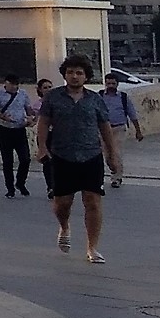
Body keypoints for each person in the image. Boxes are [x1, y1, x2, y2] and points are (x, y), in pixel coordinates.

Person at [36, 53, 122, 264]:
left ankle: (92, 247)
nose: (74, 76)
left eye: (79, 73)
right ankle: (64, 226)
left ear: (86, 77)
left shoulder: (95, 99)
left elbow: (105, 128)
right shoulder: (53, 98)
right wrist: (41, 147)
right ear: (65, 75)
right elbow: (43, 124)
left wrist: (112, 155)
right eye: (70, 72)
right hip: (62, 155)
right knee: (62, 203)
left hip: (91, 155)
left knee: (92, 202)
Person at [0, 73, 34, 197]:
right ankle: (10, 188)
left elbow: (28, 108)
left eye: (16, 84)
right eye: (12, 84)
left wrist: (32, 117)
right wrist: (3, 117)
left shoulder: (23, 94)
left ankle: (20, 182)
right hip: (4, 129)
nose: (14, 87)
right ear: (6, 83)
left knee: (25, 159)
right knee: (8, 161)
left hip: (19, 129)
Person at [100, 69, 145, 187]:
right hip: (104, 129)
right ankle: (114, 169)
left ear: (117, 84)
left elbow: (132, 114)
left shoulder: (123, 97)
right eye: (108, 83)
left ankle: (117, 178)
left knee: (116, 152)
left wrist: (138, 131)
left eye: (113, 84)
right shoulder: (100, 96)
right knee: (107, 155)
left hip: (119, 128)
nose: (110, 86)